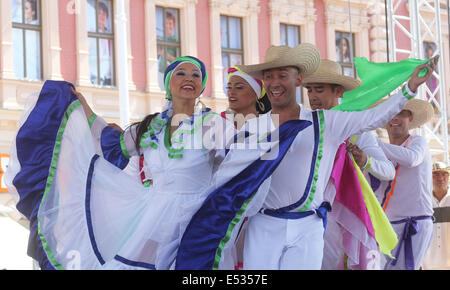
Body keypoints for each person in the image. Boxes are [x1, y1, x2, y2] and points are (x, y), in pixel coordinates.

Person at [4, 56, 241, 270]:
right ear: (168, 83)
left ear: (202, 85)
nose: (189, 78)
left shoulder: (213, 124)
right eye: (181, 73)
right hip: (153, 218)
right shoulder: (150, 127)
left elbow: (239, 162)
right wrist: (82, 106)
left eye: (196, 74)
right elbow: (111, 143)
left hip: (195, 220)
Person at [236, 44, 438, 270]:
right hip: (263, 224)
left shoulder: (326, 123)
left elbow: (373, 117)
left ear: (297, 79)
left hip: (312, 224)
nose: (275, 82)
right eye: (269, 76)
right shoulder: (252, 128)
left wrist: (409, 89)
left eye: (282, 75)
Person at [302, 59, 396, 270]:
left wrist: (365, 160)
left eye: (319, 90)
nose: (313, 96)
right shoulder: (304, 126)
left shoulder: (355, 129)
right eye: (309, 90)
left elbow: (388, 170)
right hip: (309, 215)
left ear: (338, 92)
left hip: (345, 216)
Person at [374, 98, 436, 270]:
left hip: (414, 223)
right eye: (390, 113)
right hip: (387, 225)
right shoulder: (381, 151)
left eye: (400, 113)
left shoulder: (418, 142)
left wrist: (374, 144)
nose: (394, 118)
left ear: (410, 118)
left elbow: (411, 159)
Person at [421, 162, 450, 270]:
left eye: (444, 174)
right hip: (427, 264)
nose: (440, 178)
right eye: (436, 174)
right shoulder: (423, 201)